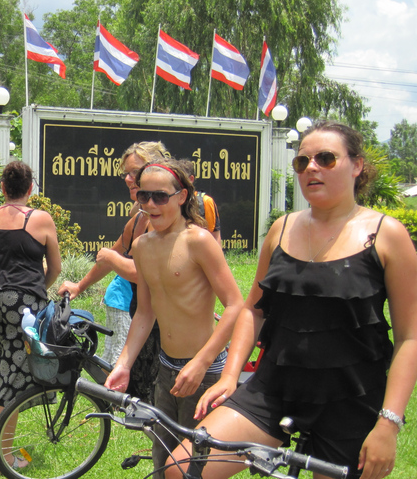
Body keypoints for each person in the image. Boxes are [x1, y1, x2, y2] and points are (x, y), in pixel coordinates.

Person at [167, 121, 417, 479]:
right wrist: (230, 376)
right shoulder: (280, 229)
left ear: (357, 165)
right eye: (302, 162)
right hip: (275, 388)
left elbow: (411, 337)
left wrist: (388, 424)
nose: (311, 167)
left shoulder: (386, 235)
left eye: (326, 158)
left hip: (350, 398)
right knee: (182, 468)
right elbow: (254, 310)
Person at [104, 160, 244, 479]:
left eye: (161, 197)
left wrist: (200, 363)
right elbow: (145, 312)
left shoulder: (199, 240)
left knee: (196, 468)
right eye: (144, 196)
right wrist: (123, 365)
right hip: (166, 371)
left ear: (181, 197)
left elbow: (235, 306)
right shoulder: (141, 246)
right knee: (163, 462)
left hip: (205, 373)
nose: (151, 204)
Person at [0, 160, 62, 472]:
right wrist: (37, 292)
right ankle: (4, 457)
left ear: (2, 188)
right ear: (30, 189)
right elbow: (56, 268)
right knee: (17, 373)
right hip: (22, 304)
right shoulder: (41, 219)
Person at [58, 141, 168, 392]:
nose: (129, 179)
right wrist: (80, 285)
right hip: (144, 320)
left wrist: (111, 258)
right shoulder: (138, 219)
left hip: (167, 330)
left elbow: (149, 275)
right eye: (125, 174)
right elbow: (110, 258)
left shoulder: (164, 221)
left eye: (135, 172)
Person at [180, 159, 222, 246]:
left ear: (191, 179)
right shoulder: (168, 201)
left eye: (182, 179)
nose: (178, 183)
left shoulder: (206, 202)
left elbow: (215, 237)